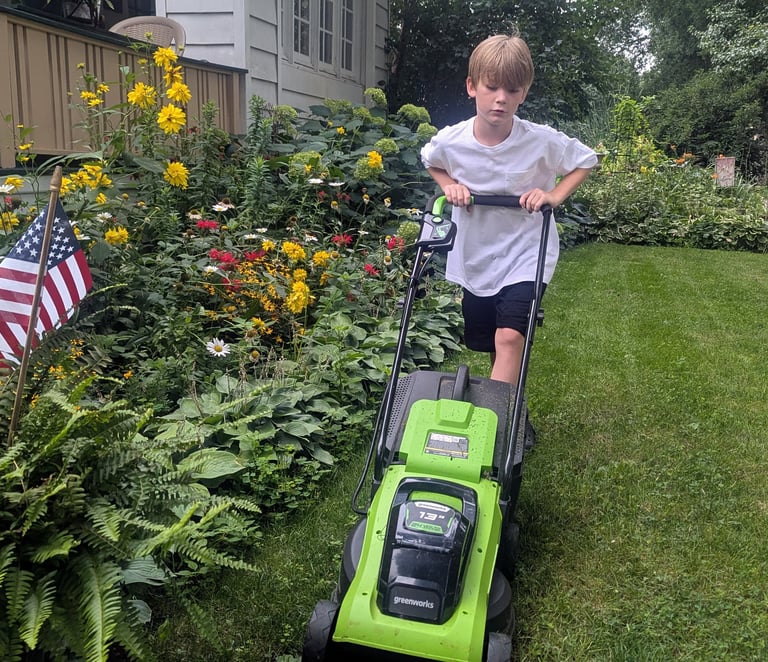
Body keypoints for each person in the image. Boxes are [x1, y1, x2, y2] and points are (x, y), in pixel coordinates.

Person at [420, 33, 598, 385]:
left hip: (526, 253)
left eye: (513, 91)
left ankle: (498, 427)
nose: (501, 99)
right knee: (491, 341)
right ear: (472, 87)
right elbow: (430, 160)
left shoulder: (540, 140)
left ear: (524, 93)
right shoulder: (452, 141)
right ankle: (511, 405)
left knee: (509, 337)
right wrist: (449, 186)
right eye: (492, 88)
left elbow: (585, 160)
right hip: (476, 254)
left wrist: (554, 195)